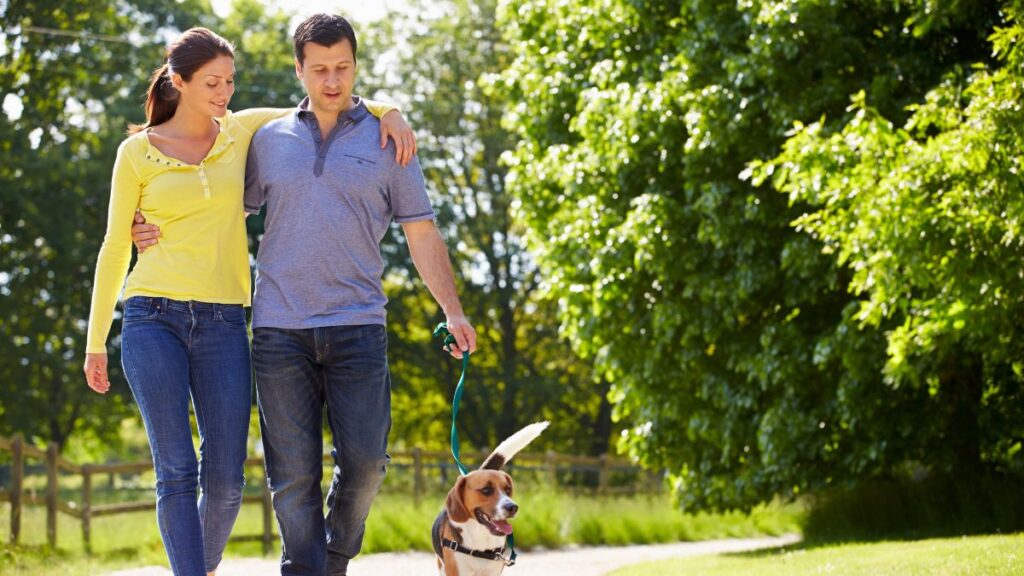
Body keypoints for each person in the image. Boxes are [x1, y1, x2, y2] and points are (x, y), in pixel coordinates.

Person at [133, 14, 477, 576]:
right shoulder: (267, 140)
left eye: (342, 67)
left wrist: (454, 310)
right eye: (319, 69)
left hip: (358, 324)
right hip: (278, 330)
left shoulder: (391, 140)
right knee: (291, 476)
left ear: (356, 66)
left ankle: (333, 558)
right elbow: (215, 206)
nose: (332, 81)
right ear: (299, 69)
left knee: (366, 464)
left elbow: (421, 230)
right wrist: (144, 221)